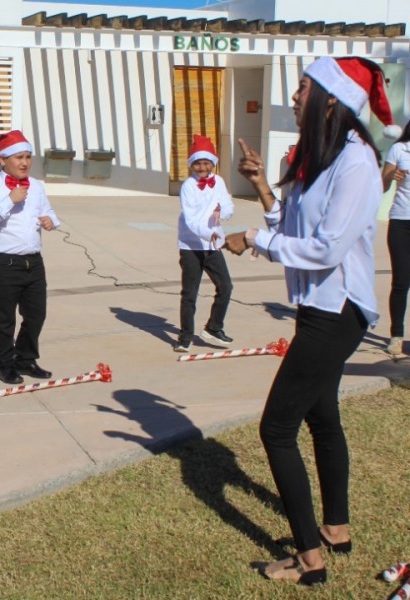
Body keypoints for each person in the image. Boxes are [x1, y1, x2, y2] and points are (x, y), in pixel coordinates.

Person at [226, 56, 392, 585]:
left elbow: (324, 249)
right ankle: (335, 531)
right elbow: (293, 224)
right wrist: (261, 189)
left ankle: (308, 561)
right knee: (322, 418)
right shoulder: (324, 157)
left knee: (277, 428)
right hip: (318, 308)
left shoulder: (357, 163)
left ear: (332, 100)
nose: (295, 97)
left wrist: (254, 238)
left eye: (302, 88)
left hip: (338, 310)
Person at [0, 130, 59, 385]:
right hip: (4, 263)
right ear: (3, 160)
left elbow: (49, 211)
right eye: (18, 157)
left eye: (28, 157)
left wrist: (51, 221)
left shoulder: (36, 187)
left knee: (36, 314)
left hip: (33, 261)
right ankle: (5, 363)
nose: (24, 163)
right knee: (4, 318)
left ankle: (26, 359)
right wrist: (9, 201)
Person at [174, 134, 234, 352]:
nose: (201, 167)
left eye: (206, 163)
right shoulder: (188, 186)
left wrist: (222, 212)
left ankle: (213, 328)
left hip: (213, 245)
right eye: (197, 163)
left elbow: (228, 205)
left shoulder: (219, 182)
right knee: (190, 293)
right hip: (191, 245)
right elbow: (190, 220)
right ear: (191, 164)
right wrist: (210, 235)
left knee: (225, 286)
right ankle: (185, 336)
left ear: (213, 163)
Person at [381, 120, 410, 357]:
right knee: (401, 282)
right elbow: (381, 185)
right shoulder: (399, 149)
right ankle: (396, 336)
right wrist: (392, 175)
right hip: (401, 222)